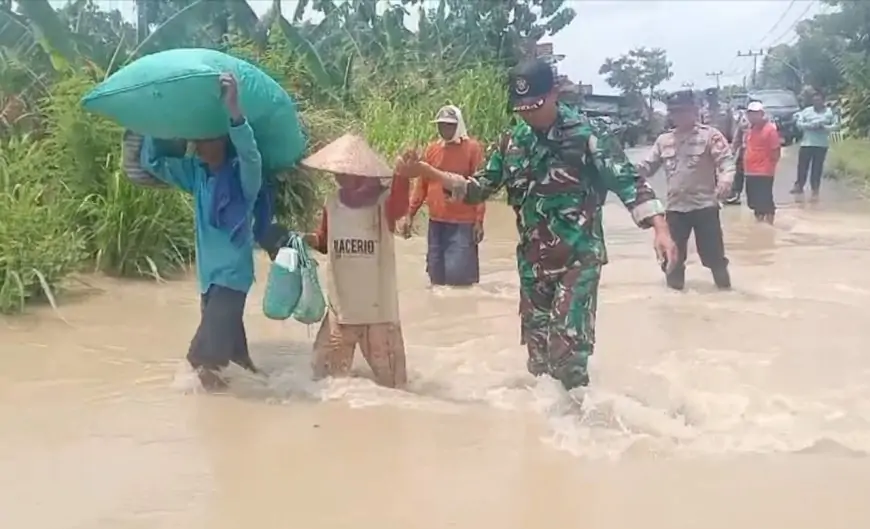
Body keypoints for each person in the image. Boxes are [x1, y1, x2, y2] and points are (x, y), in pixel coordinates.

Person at [395, 58, 677, 392]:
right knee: (539, 360)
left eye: (536, 106)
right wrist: (427, 173)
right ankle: (546, 429)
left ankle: (584, 428)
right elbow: (477, 188)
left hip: (578, 258)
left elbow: (628, 181)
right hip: (533, 265)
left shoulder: (587, 135)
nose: (529, 115)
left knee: (568, 351)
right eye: (522, 108)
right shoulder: (511, 143)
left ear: (554, 93)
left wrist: (660, 228)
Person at [135, 73, 265, 390]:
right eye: (198, 140)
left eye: (207, 139)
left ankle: (220, 425)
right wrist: (155, 122)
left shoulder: (243, 179)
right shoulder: (197, 175)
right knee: (237, 362)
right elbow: (153, 162)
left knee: (201, 363)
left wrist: (234, 111)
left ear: (223, 140)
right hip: (209, 280)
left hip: (231, 280)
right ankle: (259, 401)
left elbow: (251, 155)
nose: (201, 147)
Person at [301, 134, 411, 389]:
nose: (339, 176)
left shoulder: (384, 203)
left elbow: (400, 208)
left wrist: (403, 176)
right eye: (337, 171)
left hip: (378, 313)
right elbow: (324, 241)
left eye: (346, 171)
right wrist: (300, 239)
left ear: (362, 174)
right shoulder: (333, 204)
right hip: (342, 310)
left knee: (396, 387)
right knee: (324, 380)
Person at [636, 90, 735, 291]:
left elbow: (726, 162)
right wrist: (625, 171)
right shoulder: (663, 141)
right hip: (675, 209)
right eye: (674, 112)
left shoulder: (710, 136)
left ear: (694, 110)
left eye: (684, 111)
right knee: (672, 258)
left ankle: (726, 294)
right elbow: (646, 166)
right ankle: (674, 303)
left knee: (714, 257)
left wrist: (726, 180)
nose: (679, 116)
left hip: (705, 207)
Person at [400, 105, 486, 286]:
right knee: (435, 275)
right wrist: (409, 214)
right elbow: (421, 185)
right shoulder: (432, 149)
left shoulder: (472, 148)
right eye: (441, 125)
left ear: (459, 125)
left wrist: (479, 220)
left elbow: (480, 187)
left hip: (463, 222)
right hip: (436, 221)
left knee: (459, 278)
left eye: (449, 125)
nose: (445, 129)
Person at [792, 91, 837, 200]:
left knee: (817, 168)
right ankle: (799, 186)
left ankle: (815, 189)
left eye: (819, 100)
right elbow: (798, 124)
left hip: (821, 145)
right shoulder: (807, 111)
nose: (817, 102)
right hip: (807, 143)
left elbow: (836, 125)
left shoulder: (829, 113)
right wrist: (809, 126)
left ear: (823, 101)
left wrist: (824, 127)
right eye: (815, 100)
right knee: (802, 167)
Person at [743, 101, 781, 223]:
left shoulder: (770, 130)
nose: (753, 116)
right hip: (750, 170)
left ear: (762, 114)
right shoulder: (749, 130)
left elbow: (776, 151)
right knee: (753, 202)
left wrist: (770, 166)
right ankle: (759, 224)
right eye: (751, 114)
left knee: (765, 200)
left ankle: (769, 225)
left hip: (764, 171)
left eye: (756, 113)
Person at [724, 101, 753, 205]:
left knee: (753, 176)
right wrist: (732, 150)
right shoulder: (743, 120)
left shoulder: (764, 122)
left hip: (756, 152)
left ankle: (754, 198)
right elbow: (737, 136)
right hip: (744, 150)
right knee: (738, 173)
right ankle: (734, 195)